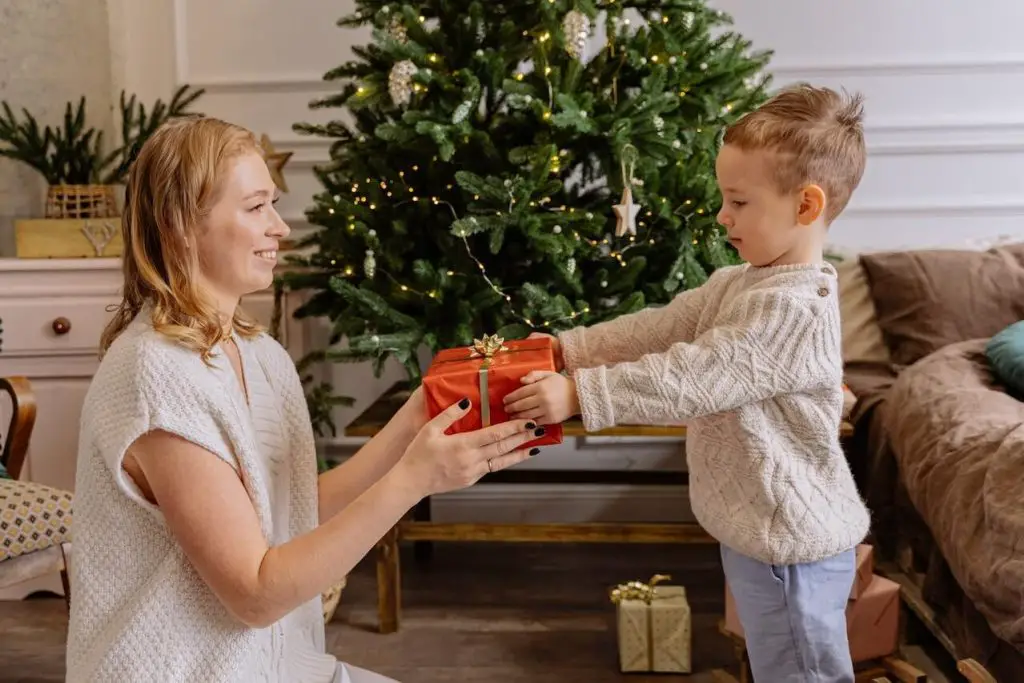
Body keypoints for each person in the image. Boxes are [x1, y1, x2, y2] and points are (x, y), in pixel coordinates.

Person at [66, 116, 544, 683]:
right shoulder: (156, 376)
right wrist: (413, 481)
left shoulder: (258, 353)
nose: (281, 227)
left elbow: (290, 508)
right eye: (255, 207)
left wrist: (415, 417)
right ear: (180, 226)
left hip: (265, 667)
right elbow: (256, 596)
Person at [504, 83, 872, 683]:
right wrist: (569, 349)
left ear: (806, 205)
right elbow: (660, 329)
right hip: (759, 533)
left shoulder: (793, 308)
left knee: (803, 672)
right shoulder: (738, 282)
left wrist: (579, 395)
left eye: (740, 202)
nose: (723, 216)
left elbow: (695, 376)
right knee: (777, 663)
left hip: (792, 548)